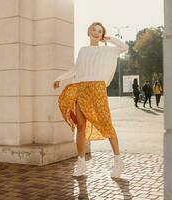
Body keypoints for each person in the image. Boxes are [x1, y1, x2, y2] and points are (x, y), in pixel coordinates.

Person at [53, 22, 128, 178]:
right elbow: (75, 69)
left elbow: (123, 47)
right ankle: (81, 163)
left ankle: (118, 160)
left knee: (106, 124)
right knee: (80, 126)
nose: (96, 32)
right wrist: (60, 78)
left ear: (102, 35)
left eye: (99, 31)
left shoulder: (106, 50)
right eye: (93, 30)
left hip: (98, 89)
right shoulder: (82, 50)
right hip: (82, 88)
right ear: (88, 32)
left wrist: (108, 38)